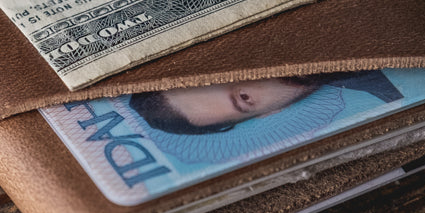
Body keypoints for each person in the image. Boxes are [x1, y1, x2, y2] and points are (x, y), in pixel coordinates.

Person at [127, 69, 403, 136]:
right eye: (244, 97)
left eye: (224, 70)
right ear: (270, 113)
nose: (258, 74)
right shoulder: (394, 91)